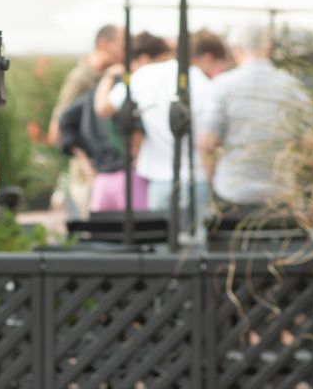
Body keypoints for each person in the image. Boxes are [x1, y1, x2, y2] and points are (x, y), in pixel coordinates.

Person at [97, 29, 231, 233]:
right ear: (205, 58)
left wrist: (108, 77)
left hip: (158, 179)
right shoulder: (206, 86)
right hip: (198, 180)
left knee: (160, 245)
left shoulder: (145, 75)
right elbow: (207, 143)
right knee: (196, 250)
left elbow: (103, 108)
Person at [198, 23, 313, 216]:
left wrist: (211, 176)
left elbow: (207, 142)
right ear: (267, 47)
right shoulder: (293, 87)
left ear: (236, 50)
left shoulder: (222, 86)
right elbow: (310, 142)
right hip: (281, 191)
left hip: (232, 190)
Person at [59, 31, 171, 213]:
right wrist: (136, 155)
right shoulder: (132, 85)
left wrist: (84, 160)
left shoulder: (102, 85)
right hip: (130, 176)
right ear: (144, 59)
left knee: (104, 235)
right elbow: (136, 125)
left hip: (101, 180)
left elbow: (65, 120)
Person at [47, 23, 125, 219]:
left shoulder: (108, 76)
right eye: (122, 45)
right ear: (103, 44)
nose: (126, 50)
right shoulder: (81, 78)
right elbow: (56, 130)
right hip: (87, 177)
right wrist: (83, 159)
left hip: (106, 173)